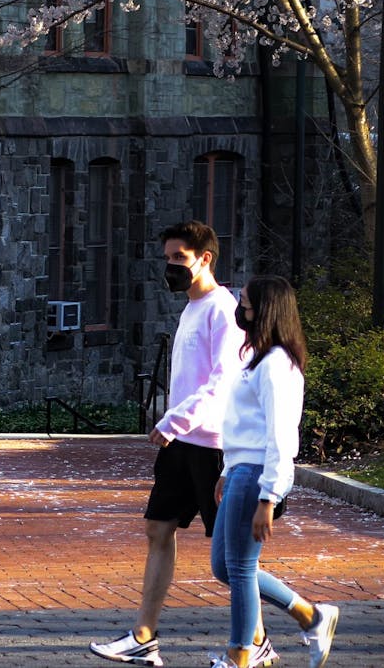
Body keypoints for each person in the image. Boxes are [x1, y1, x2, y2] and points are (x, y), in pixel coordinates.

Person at [92, 221, 250, 668]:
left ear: (205, 259)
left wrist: (174, 419)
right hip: (180, 443)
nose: (171, 266)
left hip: (212, 445)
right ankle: (144, 637)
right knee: (158, 529)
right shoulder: (190, 309)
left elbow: (223, 381)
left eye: (179, 258)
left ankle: (283, 624)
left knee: (232, 556)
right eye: (167, 259)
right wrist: (174, 424)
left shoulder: (223, 309)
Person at [209, 276, 339, 668]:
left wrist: (269, 496)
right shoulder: (257, 360)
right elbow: (243, 424)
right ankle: (311, 616)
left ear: (265, 310)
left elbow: (282, 436)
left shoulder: (278, 365)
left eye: (246, 303)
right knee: (224, 566)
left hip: (257, 477)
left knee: (241, 568)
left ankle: (241, 654)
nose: (240, 308)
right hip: (240, 472)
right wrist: (227, 469)